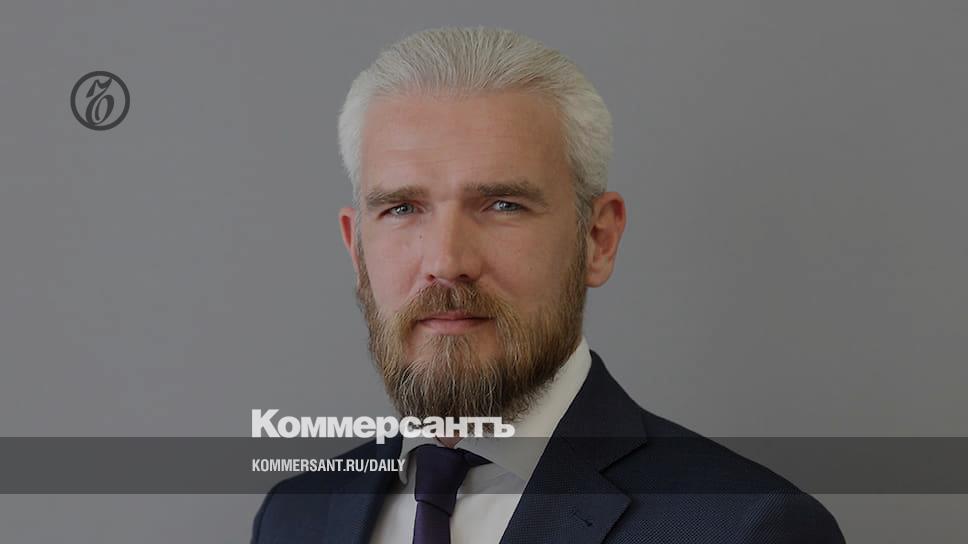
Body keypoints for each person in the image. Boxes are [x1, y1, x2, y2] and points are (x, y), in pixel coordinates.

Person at [251, 26, 845, 544]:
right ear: (356, 249)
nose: (447, 261)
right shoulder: (295, 516)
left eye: (503, 205)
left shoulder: (746, 529)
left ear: (598, 239)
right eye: (402, 209)